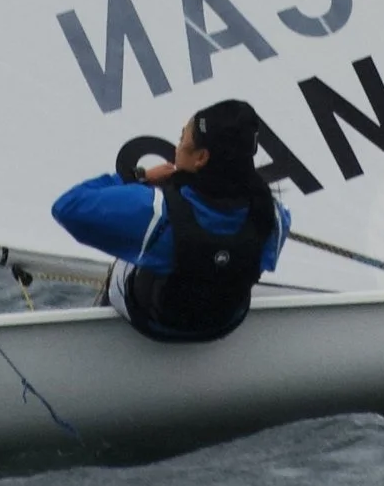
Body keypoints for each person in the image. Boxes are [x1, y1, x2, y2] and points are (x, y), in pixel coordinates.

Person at [51, 101, 289, 343]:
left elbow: (66, 207)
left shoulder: (155, 212)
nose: (177, 147)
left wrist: (139, 177)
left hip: (156, 325)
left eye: (182, 138)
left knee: (128, 256)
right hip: (225, 324)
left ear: (201, 158)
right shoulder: (274, 216)